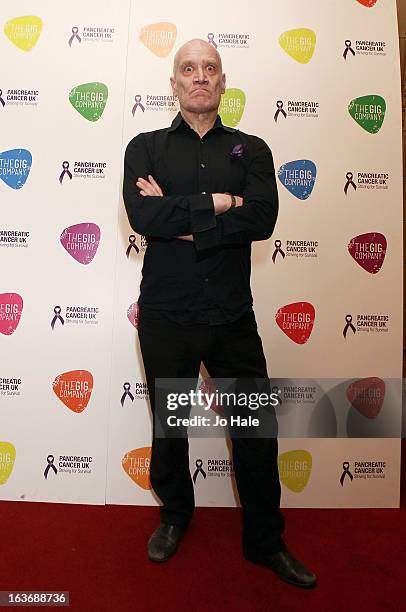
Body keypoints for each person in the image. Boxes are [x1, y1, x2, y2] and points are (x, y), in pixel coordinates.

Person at [123, 39, 317, 589]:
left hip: (232, 315)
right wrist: (221, 203)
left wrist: (180, 218)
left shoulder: (251, 150)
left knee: (255, 428)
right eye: (189, 68)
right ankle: (175, 516)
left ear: (223, 81)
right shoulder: (146, 146)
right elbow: (143, 215)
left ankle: (265, 542)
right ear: (175, 83)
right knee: (171, 425)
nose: (199, 77)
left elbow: (262, 220)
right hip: (166, 313)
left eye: (209, 68)